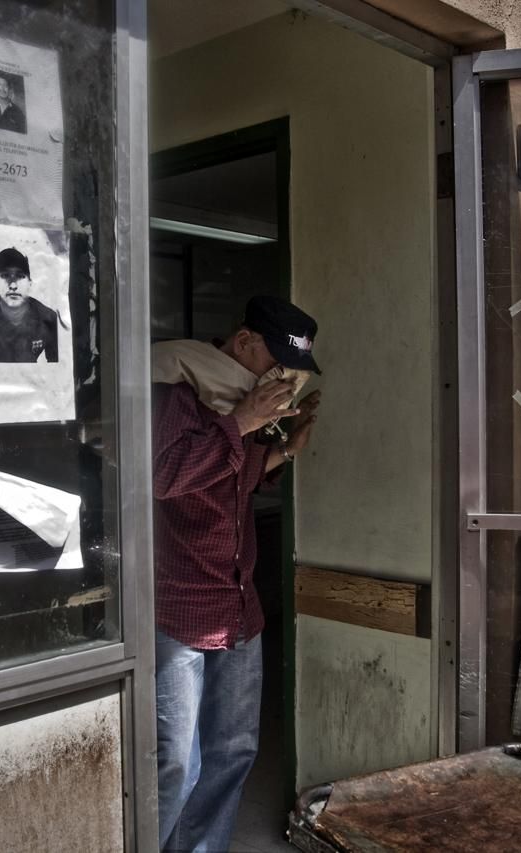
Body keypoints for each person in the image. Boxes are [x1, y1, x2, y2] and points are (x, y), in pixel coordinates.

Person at [152, 295, 323, 852]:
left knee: (233, 751)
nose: (279, 377)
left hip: (238, 605)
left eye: (288, 370)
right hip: (177, 606)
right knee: (176, 759)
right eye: (272, 362)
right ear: (243, 341)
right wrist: (243, 420)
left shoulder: (242, 402)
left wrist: (285, 449)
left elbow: (232, 483)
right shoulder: (176, 387)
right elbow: (165, 475)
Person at [0, 247, 58, 363]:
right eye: (5, 275)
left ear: (30, 283)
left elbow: (56, 369)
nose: (13, 285)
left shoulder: (48, 318)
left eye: (20, 276)